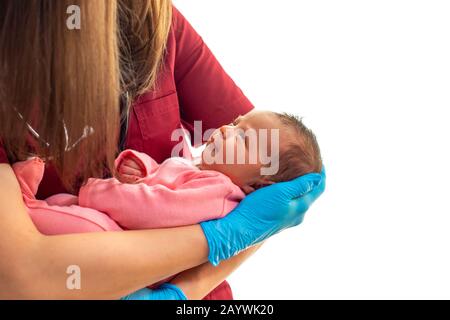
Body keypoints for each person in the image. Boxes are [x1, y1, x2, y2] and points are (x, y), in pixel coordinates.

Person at [0, 1, 325, 299]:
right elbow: (20, 272)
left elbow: (292, 174)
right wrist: (217, 238)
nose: (227, 128)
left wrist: (185, 290)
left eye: (241, 135)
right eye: (236, 124)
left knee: (76, 224)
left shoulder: (153, 21)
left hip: (131, 257)